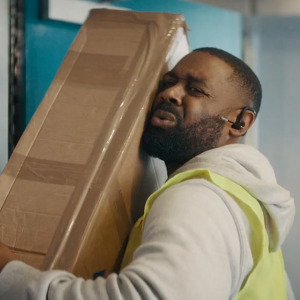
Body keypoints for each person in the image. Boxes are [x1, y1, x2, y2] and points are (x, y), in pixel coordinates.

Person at [0, 48, 295, 300]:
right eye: (168, 82)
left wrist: (8, 274)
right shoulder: (245, 200)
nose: (170, 94)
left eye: (195, 90)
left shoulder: (200, 198)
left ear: (240, 123)